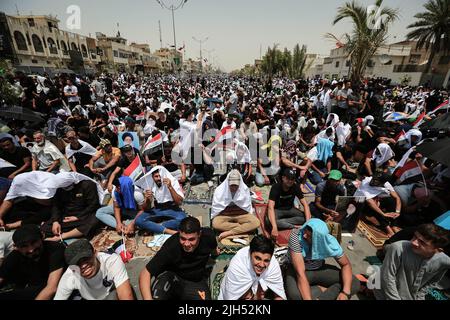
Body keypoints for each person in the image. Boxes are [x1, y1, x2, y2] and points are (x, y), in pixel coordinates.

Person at [139, 217, 218, 300]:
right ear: (179, 233)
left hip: (195, 281)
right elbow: (145, 273)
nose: (187, 244)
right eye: (183, 238)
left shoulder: (209, 236)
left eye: (191, 239)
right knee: (157, 292)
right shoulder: (171, 246)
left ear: (199, 234)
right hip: (173, 278)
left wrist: (214, 253)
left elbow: (214, 249)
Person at [285, 218, 360, 300]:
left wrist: (345, 293)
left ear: (318, 240)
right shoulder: (296, 236)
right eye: (305, 231)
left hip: (318, 269)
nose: (304, 236)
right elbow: (300, 274)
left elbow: (346, 265)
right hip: (296, 271)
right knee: (296, 296)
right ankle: (322, 289)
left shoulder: (329, 242)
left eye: (309, 236)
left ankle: (323, 294)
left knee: (354, 282)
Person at [373, 224, 450, 300]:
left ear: (438, 250)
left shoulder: (444, 261)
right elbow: (387, 278)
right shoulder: (398, 248)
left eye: (422, 242)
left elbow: (432, 282)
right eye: (414, 237)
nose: (413, 242)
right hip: (385, 294)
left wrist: (420, 296)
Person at [54, 239, 134, 300]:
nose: (84, 265)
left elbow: (126, 295)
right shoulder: (69, 275)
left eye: (86, 259)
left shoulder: (111, 260)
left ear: (95, 253)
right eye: (77, 263)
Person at [0, 224, 65, 300]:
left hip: (56, 291)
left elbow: (52, 288)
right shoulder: (15, 255)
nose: (31, 250)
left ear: (42, 237)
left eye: (34, 242)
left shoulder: (55, 250)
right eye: (24, 246)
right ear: (16, 247)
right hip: (30, 289)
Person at [218, 235, 286, 300]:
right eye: (258, 258)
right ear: (250, 253)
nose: (262, 265)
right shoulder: (237, 266)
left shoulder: (273, 264)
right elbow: (230, 297)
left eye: (266, 261)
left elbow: (279, 295)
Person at [135, 166, 186, 235]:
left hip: (172, 208)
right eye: (156, 176)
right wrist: (147, 199)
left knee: (183, 220)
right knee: (139, 221)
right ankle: (167, 231)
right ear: (152, 177)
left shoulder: (173, 182)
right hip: (157, 209)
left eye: (160, 176)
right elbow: (146, 208)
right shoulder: (149, 185)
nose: (159, 178)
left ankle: (153, 228)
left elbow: (179, 202)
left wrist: (170, 187)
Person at [211, 170, 260, 241]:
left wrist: (230, 232)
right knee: (215, 223)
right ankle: (242, 228)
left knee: (256, 222)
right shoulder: (219, 191)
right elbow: (217, 209)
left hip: (241, 214)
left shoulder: (244, 190)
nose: (234, 188)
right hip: (225, 215)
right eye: (231, 185)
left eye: (236, 186)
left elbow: (246, 208)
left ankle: (230, 232)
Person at [267, 168, 311, 240]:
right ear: (283, 178)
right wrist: (274, 227)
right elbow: (270, 207)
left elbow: (305, 204)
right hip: (277, 210)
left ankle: (283, 223)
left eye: (292, 179)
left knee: (308, 216)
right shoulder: (276, 187)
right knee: (270, 222)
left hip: (290, 209)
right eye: (288, 178)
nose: (290, 181)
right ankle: (293, 226)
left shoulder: (295, 186)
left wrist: (308, 223)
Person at [355, 172, 402, 237]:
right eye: (373, 178)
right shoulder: (365, 182)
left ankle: (394, 225)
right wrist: (383, 214)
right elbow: (370, 202)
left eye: (376, 181)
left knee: (391, 200)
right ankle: (388, 229)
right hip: (361, 204)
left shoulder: (386, 184)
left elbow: (397, 198)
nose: (372, 181)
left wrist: (397, 212)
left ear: (382, 183)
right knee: (375, 206)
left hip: (375, 201)